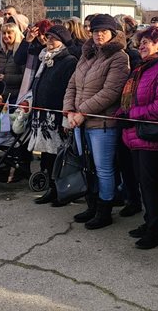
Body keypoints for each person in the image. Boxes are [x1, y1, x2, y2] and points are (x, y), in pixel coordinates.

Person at [63, 14, 130, 230]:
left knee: (104, 169)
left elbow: (110, 92)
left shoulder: (119, 57)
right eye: (95, 30)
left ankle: (105, 209)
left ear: (112, 33)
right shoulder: (87, 55)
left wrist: (81, 111)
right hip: (79, 121)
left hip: (102, 125)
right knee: (87, 166)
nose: (98, 34)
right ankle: (92, 205)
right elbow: (72, 83)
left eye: (103, 30)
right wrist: (69, 110)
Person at [119, 26, 158, 249]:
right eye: (141, 41)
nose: (143, 46)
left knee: (150, 185)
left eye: (148, 42)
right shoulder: (142, 67)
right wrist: (122, 114)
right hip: (136, 133)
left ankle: (156, 231)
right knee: (143, 184)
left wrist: (131, 115)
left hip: (152, 136)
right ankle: (149, 222)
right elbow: (131, 100)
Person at [30, 25, 77, 205]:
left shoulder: (69, 60)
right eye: (48, 38)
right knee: (47, 155)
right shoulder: (45, 59)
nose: (49, 41)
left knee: (60, 155)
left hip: (57, 115)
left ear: (62, 41)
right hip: (42, 114)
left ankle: (62, 190)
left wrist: (66, 115)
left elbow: (69, 89)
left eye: (53, 38)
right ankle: (51, 188)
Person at [0, 22, 26, 103]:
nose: (6, 36)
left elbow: (25, 77)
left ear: (16, 34)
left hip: (15, 96)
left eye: (9, 33)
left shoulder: (22, 53)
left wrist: (5, 78)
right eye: (4, 33)